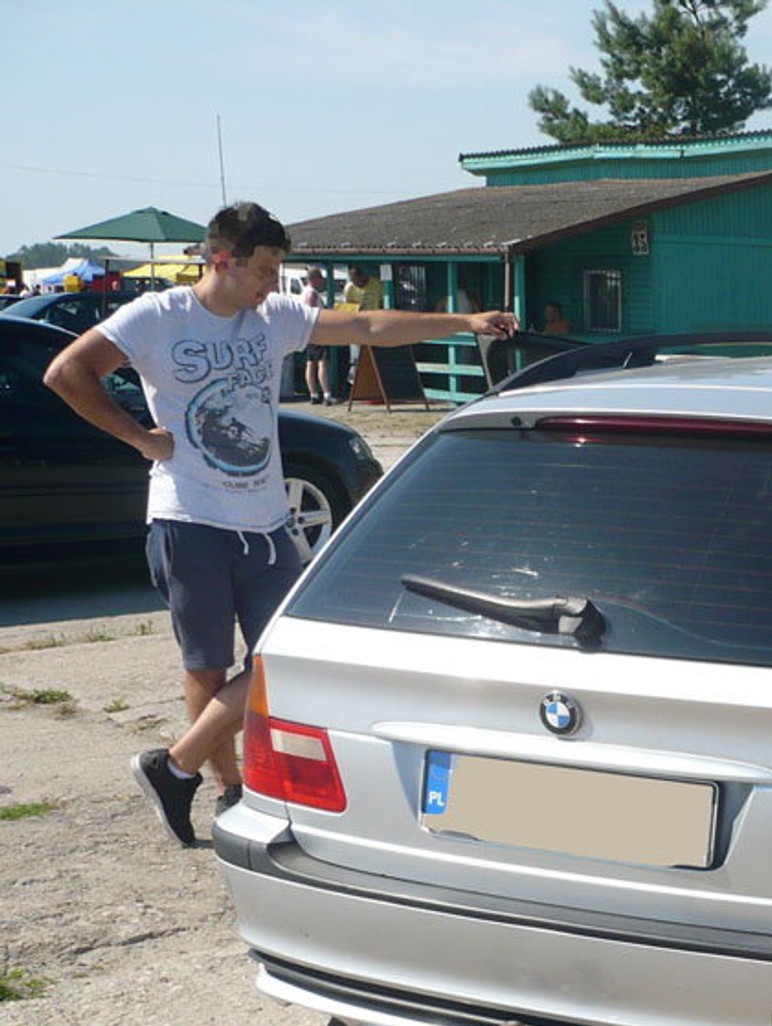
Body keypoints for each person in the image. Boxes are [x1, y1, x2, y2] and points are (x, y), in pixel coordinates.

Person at [43, 201, 519, 846]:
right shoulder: (158, 317)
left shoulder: (273, 319)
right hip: (190, 519)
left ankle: (174, 766)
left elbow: (370, 324)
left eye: (277, 270)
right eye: (264, 270)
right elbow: (67, 372)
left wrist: (465, 321)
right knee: (207, 668)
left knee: (283, 657)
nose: (272, 284)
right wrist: (137, 437)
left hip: (268, 522)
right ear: (221, 260)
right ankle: (226, 789)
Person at [300, 267, 331, 404]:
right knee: (322, 363)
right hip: (317, 330)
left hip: (307, 331)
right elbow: (311, 311)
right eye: (319, 279)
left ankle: (313, 394)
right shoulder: (312, 293)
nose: (321, 282)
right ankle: (327, 394)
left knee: (310, 363)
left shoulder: (303, 292)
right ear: (313, 279)